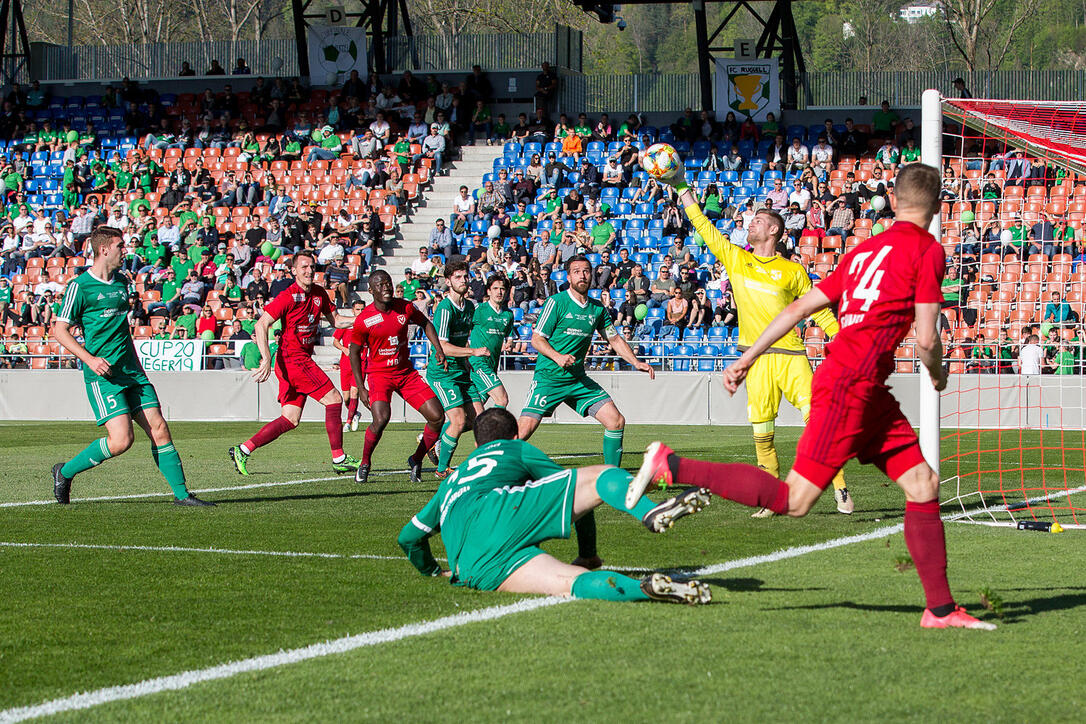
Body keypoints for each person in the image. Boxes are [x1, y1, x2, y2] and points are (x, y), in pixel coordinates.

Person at [631, 163, 997, 630]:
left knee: (922, 485)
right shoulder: (927, 250)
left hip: (864, 387)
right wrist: (939, 372)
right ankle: (672, 465)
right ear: (939, 204)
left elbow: (802, 307)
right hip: (851, 386)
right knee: (796, 500)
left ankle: (940, 610)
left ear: (893, 197)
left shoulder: (865, 250)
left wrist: (747, 357)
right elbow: (927, 339)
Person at [662, 151, 854, 516]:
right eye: (752, 219)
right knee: (762, 433)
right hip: (756, 358)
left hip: (794, 357)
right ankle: (770, 498)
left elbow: (818, 310)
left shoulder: (792, 271)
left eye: (759, 220)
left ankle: (840, 486)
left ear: (774, 230)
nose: (751, 223)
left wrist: (841, 336)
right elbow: (703, 226)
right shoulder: (737, 258)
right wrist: (681, 187)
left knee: (818, 423)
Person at [398, 408, 712, 604]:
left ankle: (643, 588)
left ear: (477, 443)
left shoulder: (451, 482)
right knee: (601, 476)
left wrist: (434, 572)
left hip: (473, 567)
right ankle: (648, 511)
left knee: (569, 582)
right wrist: (589, 552)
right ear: (515, 434)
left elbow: (408, 538)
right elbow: (576, 498)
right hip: (498, 512)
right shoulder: (516, 448)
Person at [50, 227, 213, 507]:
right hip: (104, 377)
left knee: (159, 428)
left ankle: (182, 495)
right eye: (120, 246)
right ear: (104, 250)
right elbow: (59, 330)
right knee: (121, 441)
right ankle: (64, 472)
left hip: (133, 372)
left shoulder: (122, 282)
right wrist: (90, 359)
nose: (125, 251)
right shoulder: (80, 286)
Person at [518, 254, 657, 569]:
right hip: (550, 378)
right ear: (568, 276)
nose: (582, 275)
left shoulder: (596, 309)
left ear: (593, 276)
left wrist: (635, 362)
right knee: (523, 432)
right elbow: (537, 339)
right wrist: (557, 357)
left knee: (615, 420)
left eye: (586, 271)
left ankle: (614, 479)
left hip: (577, 379)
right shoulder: (556, 303)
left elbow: (614, 339)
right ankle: (492, 467)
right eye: (576, 271)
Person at [229, 252, 360, 476]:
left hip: (296, 360)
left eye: (312, 266)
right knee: (335, 399)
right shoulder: (288, 296)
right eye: (304, 267)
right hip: (293, 359)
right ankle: (338, 457)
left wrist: (362, 321)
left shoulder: (319, 293)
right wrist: (266, 357)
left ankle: (243, 449)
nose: (309, 271)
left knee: (290, 419)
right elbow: (261, 325)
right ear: (294, 271)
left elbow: (336, 321)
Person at [348, 270, 448, 484]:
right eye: (380, 284)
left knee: (437, 416)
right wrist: (361, 386)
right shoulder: (364, 319)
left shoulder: (405, 307)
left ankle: (415, 459)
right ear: (370, 290)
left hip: (406, 374)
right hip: (379, 375)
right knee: (381, 419)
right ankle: (365, 462)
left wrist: (438, 348)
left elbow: (426, 323)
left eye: (388, 283)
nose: (386, 287)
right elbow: (354, 353)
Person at [424, 261, 491, 478]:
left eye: (465, 276)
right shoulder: (444, 308)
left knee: (479, 420)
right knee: (459, 419)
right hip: (443, 373)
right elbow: (442, 346)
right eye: (458, 277)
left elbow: (463, 341)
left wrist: (468, 357)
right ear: (448, 281)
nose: (463, 280)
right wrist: (473, 353)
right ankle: (442, 469)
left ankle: (436, 440)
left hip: (461, 371)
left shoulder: (470, 306)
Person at [468, 274, 515, 415]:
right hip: (478, 364)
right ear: (488, 291)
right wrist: (466, 352)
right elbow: (463, 331)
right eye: (495, 288)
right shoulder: (479, 310)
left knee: (470, 415)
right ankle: (492, 433)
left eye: (502, 289)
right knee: (502, 399)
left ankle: (433, 437)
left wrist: (510, 343)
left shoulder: (508, 315)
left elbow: (509, 336)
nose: (499, 292)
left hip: (492, 365)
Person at [332, 300, 366, 432]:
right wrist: (344, 349)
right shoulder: (346, 325)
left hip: (360, 363)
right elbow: (335, 341)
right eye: (358, 309)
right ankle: (355, 414)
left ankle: (348, 422)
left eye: (363, 309)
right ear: (353, 311)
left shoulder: (367, 326)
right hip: (346, 364)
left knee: (354, 391)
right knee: (346, 397)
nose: (360, 312)